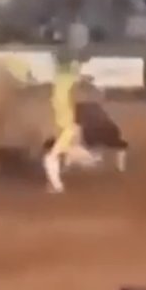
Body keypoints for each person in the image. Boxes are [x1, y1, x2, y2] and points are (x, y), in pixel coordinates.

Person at [43, 62, 101, 194]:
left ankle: (57, 186)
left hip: (66, 128)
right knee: (67, 151)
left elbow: (76, 77)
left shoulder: (63, 83)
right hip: (66, 127)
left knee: (51, 157)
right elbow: (78, 77)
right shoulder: (63, 83)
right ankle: (89, 159)